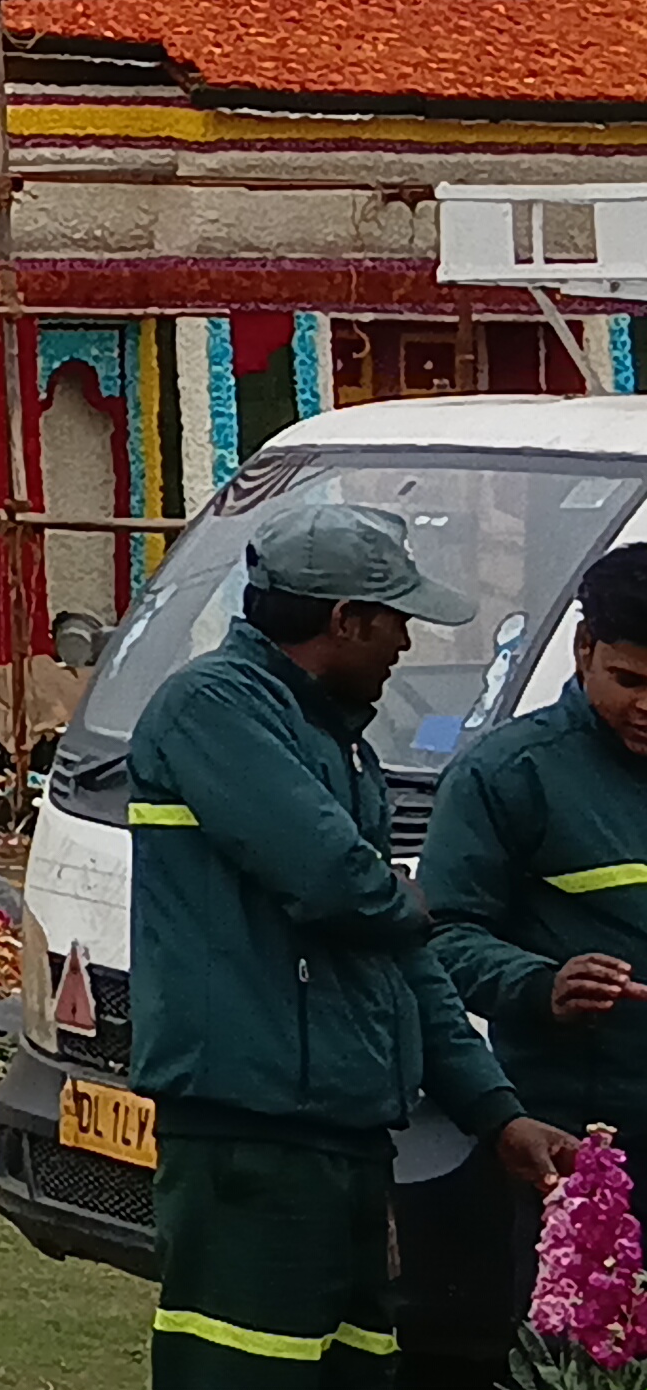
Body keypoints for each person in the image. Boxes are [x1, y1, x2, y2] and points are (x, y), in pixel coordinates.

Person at [128, 502, 572, 1388]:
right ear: (345, 620)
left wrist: (496, 1113)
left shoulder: (341, 744)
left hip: (345, 1134)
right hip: (252, 1135)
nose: (406, 642)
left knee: (358, 1365)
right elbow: (338, 882)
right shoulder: (212, 706)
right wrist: (396, 899)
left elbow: (402, 953)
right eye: (396, 620)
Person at [411, 541, 647, 1386]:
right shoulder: (509, 774)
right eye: (630, 681)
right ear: (583, 650)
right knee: (581, 1366)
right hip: (587, 1147)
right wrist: (542, 986)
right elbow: (442, 938)